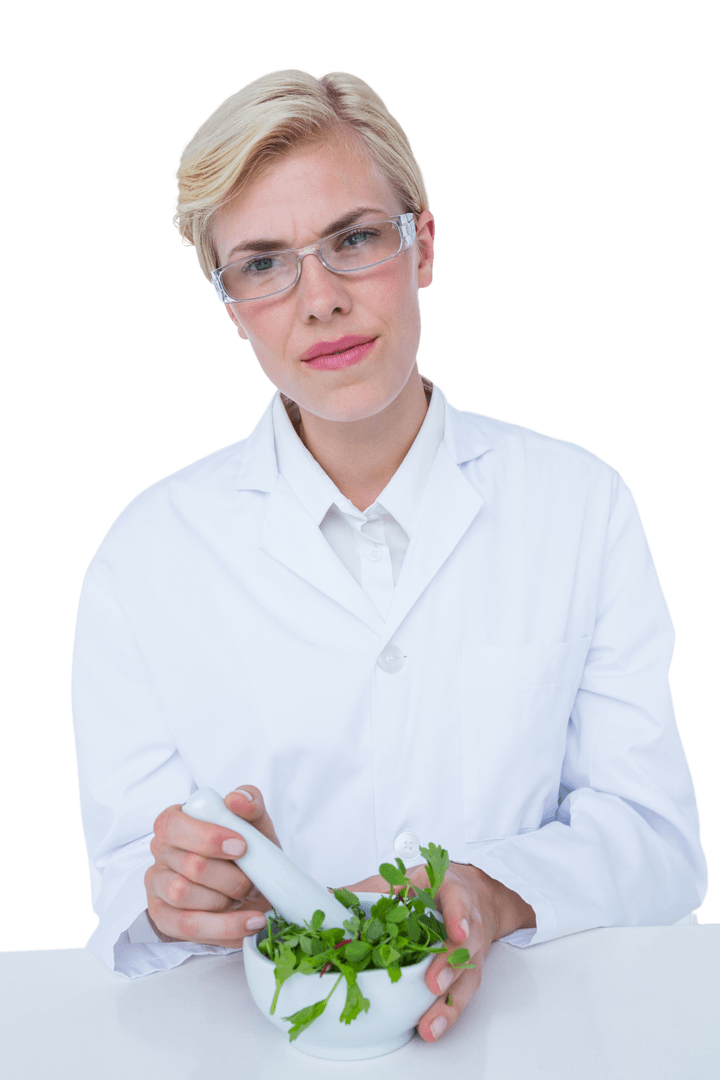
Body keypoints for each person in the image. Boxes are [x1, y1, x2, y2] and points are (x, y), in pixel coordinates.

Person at [70, 67, 708, 1044]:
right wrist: (172, 895)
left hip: (542, 1047)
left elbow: (660, 848)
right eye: (263, 263)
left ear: (423, 246)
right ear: (230, 304)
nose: (318, 299)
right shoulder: (145, 556)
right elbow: (126, 886)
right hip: (264, 1053)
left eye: (355, 240)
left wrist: (493, 891)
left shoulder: (580, 502)